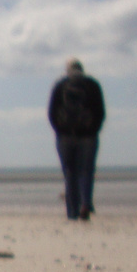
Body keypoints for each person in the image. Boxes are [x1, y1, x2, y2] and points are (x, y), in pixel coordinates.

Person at [47, 59, 105, 221]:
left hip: (65, 136)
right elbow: (100, 111)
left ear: (68, 70)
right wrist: (93, 131)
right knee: (86, 171)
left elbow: (52, 112)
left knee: (70, 173)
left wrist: (60, 131)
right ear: (82, 69)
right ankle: (85, 204)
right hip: (88, 137)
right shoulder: (92, 85)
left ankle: (72, 211)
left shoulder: (60, 85)